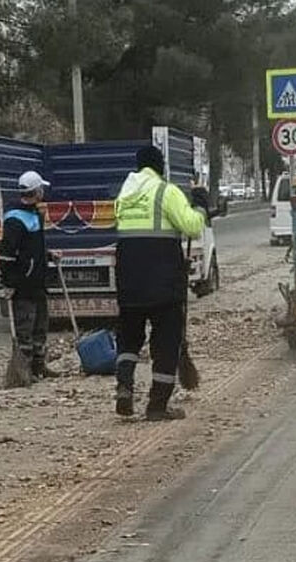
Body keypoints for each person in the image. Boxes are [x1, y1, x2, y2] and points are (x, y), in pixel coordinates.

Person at [113, 146, 207, 421]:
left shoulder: (125, 195)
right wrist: (199, 202)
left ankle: (124, 388)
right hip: (162, 281)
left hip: (129, 280)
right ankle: (157, 405)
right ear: (160, 166)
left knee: (129, 338)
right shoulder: (166, 191)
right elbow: (192, 226)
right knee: (166, 341)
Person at [0, 170, 60, 382]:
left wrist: (47, 254)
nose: (43, 191)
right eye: (41, 188)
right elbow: (7, 255)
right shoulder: (15, 219)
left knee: (40, 326)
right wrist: (8, 283)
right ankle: (23, 370)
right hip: (24, 284)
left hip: (38, 282)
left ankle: (38, 365)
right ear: (36, 191)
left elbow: (31, 248)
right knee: (25, 329)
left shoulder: (35, 214)